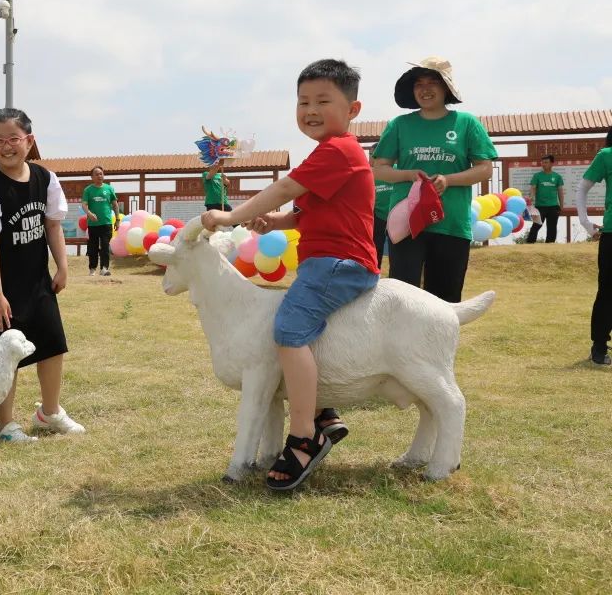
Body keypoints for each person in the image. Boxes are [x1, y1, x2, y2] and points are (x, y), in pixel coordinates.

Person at [203, 59, 379, 490]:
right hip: (326, 261)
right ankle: (323, 410)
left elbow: (284, 188)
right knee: (297, 324)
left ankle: (305, 436)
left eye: (323, 101)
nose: (311, 110)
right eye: (303, 102)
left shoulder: (338, 150)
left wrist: (230, 217)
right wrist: (275, 222)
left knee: (287, 329)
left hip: (339, 262)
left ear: (352, 110)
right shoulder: (328, 153)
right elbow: (303, 212)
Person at [0, 107, 85, 444]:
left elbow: (53, 226)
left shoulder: (46, 179)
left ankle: (50, 412)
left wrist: (62, 266)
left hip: (35, 277)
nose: (7, 147)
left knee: (52, 341)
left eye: (14, 139)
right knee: (4, 351)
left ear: (29, 141)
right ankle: (6, 425)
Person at [371, 57, 496, 303]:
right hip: (406, 224)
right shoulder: (399, 125)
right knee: (403, 300)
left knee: (445, 301)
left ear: (446, 88)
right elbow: (379, 169)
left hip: (451, 224)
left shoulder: (467, 123)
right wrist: (408, 174)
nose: (425, 89)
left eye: (432, 82)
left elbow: (484, 169)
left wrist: (448, 180)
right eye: (419, 84)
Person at [576, 127, 612, 365]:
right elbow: (582, 188)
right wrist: (585, 223)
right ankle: (599, 347)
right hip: (611, 233)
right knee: (607, 292)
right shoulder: (607, 155)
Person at [81, 165, 118, 276]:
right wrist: (89, 214)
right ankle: (92, 269)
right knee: (93, 247)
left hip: (106, 223)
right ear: (92, 177)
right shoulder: (88, 190)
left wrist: (118, 220)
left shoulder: (109, 189)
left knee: (105, 247)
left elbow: (115, 205)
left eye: (101, 174)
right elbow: (84, 205)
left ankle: (104, 268)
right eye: (96, 174)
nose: (99, 176)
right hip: (93, 224)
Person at [527, 154, 565, 244]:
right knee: (536, 225)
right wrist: (531, 197)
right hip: (540, 206)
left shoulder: (557, 176)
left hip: (553, 207)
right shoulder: (537, 176)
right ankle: (529, 244)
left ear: (552, 163)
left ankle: (550, 245)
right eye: (542, 162)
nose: (543, 164)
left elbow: (560, 192)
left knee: (552, 227)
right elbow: (533, 188)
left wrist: (561, 206)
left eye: (546, 162)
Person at [373, 178, 392, 267]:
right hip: (378, 216)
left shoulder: (399, 173)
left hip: (396, 218)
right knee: (376, 250)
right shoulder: (374, 175)